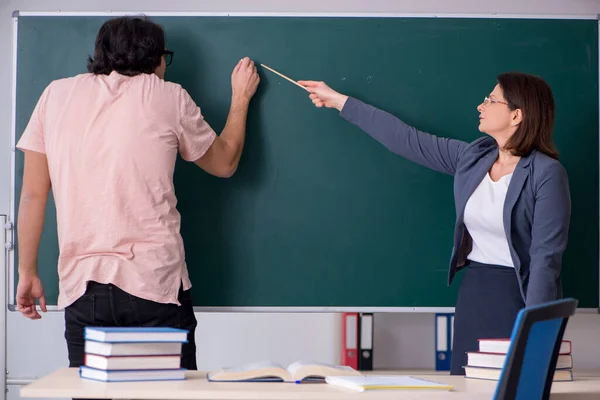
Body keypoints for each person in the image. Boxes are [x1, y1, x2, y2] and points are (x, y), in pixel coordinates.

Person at [15, 15, 260, 372]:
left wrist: (27, 270)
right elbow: (224, 163)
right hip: (154, 286)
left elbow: (33, 196)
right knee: (166, 396)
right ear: (155, 58)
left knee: (92, 397)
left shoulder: (55, 95)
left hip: (82, 289)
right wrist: (240, 99)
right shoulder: (167, 95)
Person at [298, 73, 571, 375]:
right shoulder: (474, 157)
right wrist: (338, 101)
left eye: (491, 100)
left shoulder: (546, 173)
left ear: (516, 115)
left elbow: (546, 260)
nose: (481, 106)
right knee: (468, 387)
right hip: (476, 294)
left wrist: (537, 332)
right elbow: (405, 139)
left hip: (519, 297)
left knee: (518, 386)